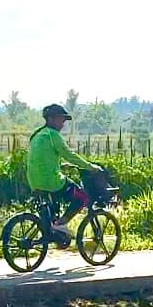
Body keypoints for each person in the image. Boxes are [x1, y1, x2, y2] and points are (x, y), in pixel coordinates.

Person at [27, 103, 95, 243]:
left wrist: (61, 165)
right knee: (82, 197)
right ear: (51, 119)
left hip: (34, 180)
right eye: (61, 119)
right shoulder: (53, 135)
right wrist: (89, 167)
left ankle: (52, 230)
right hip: (50, 181)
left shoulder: (37, 134)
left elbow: (43, 158)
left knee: (51, 209)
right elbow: (69, 155)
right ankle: (61, 224)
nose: (63, 123)